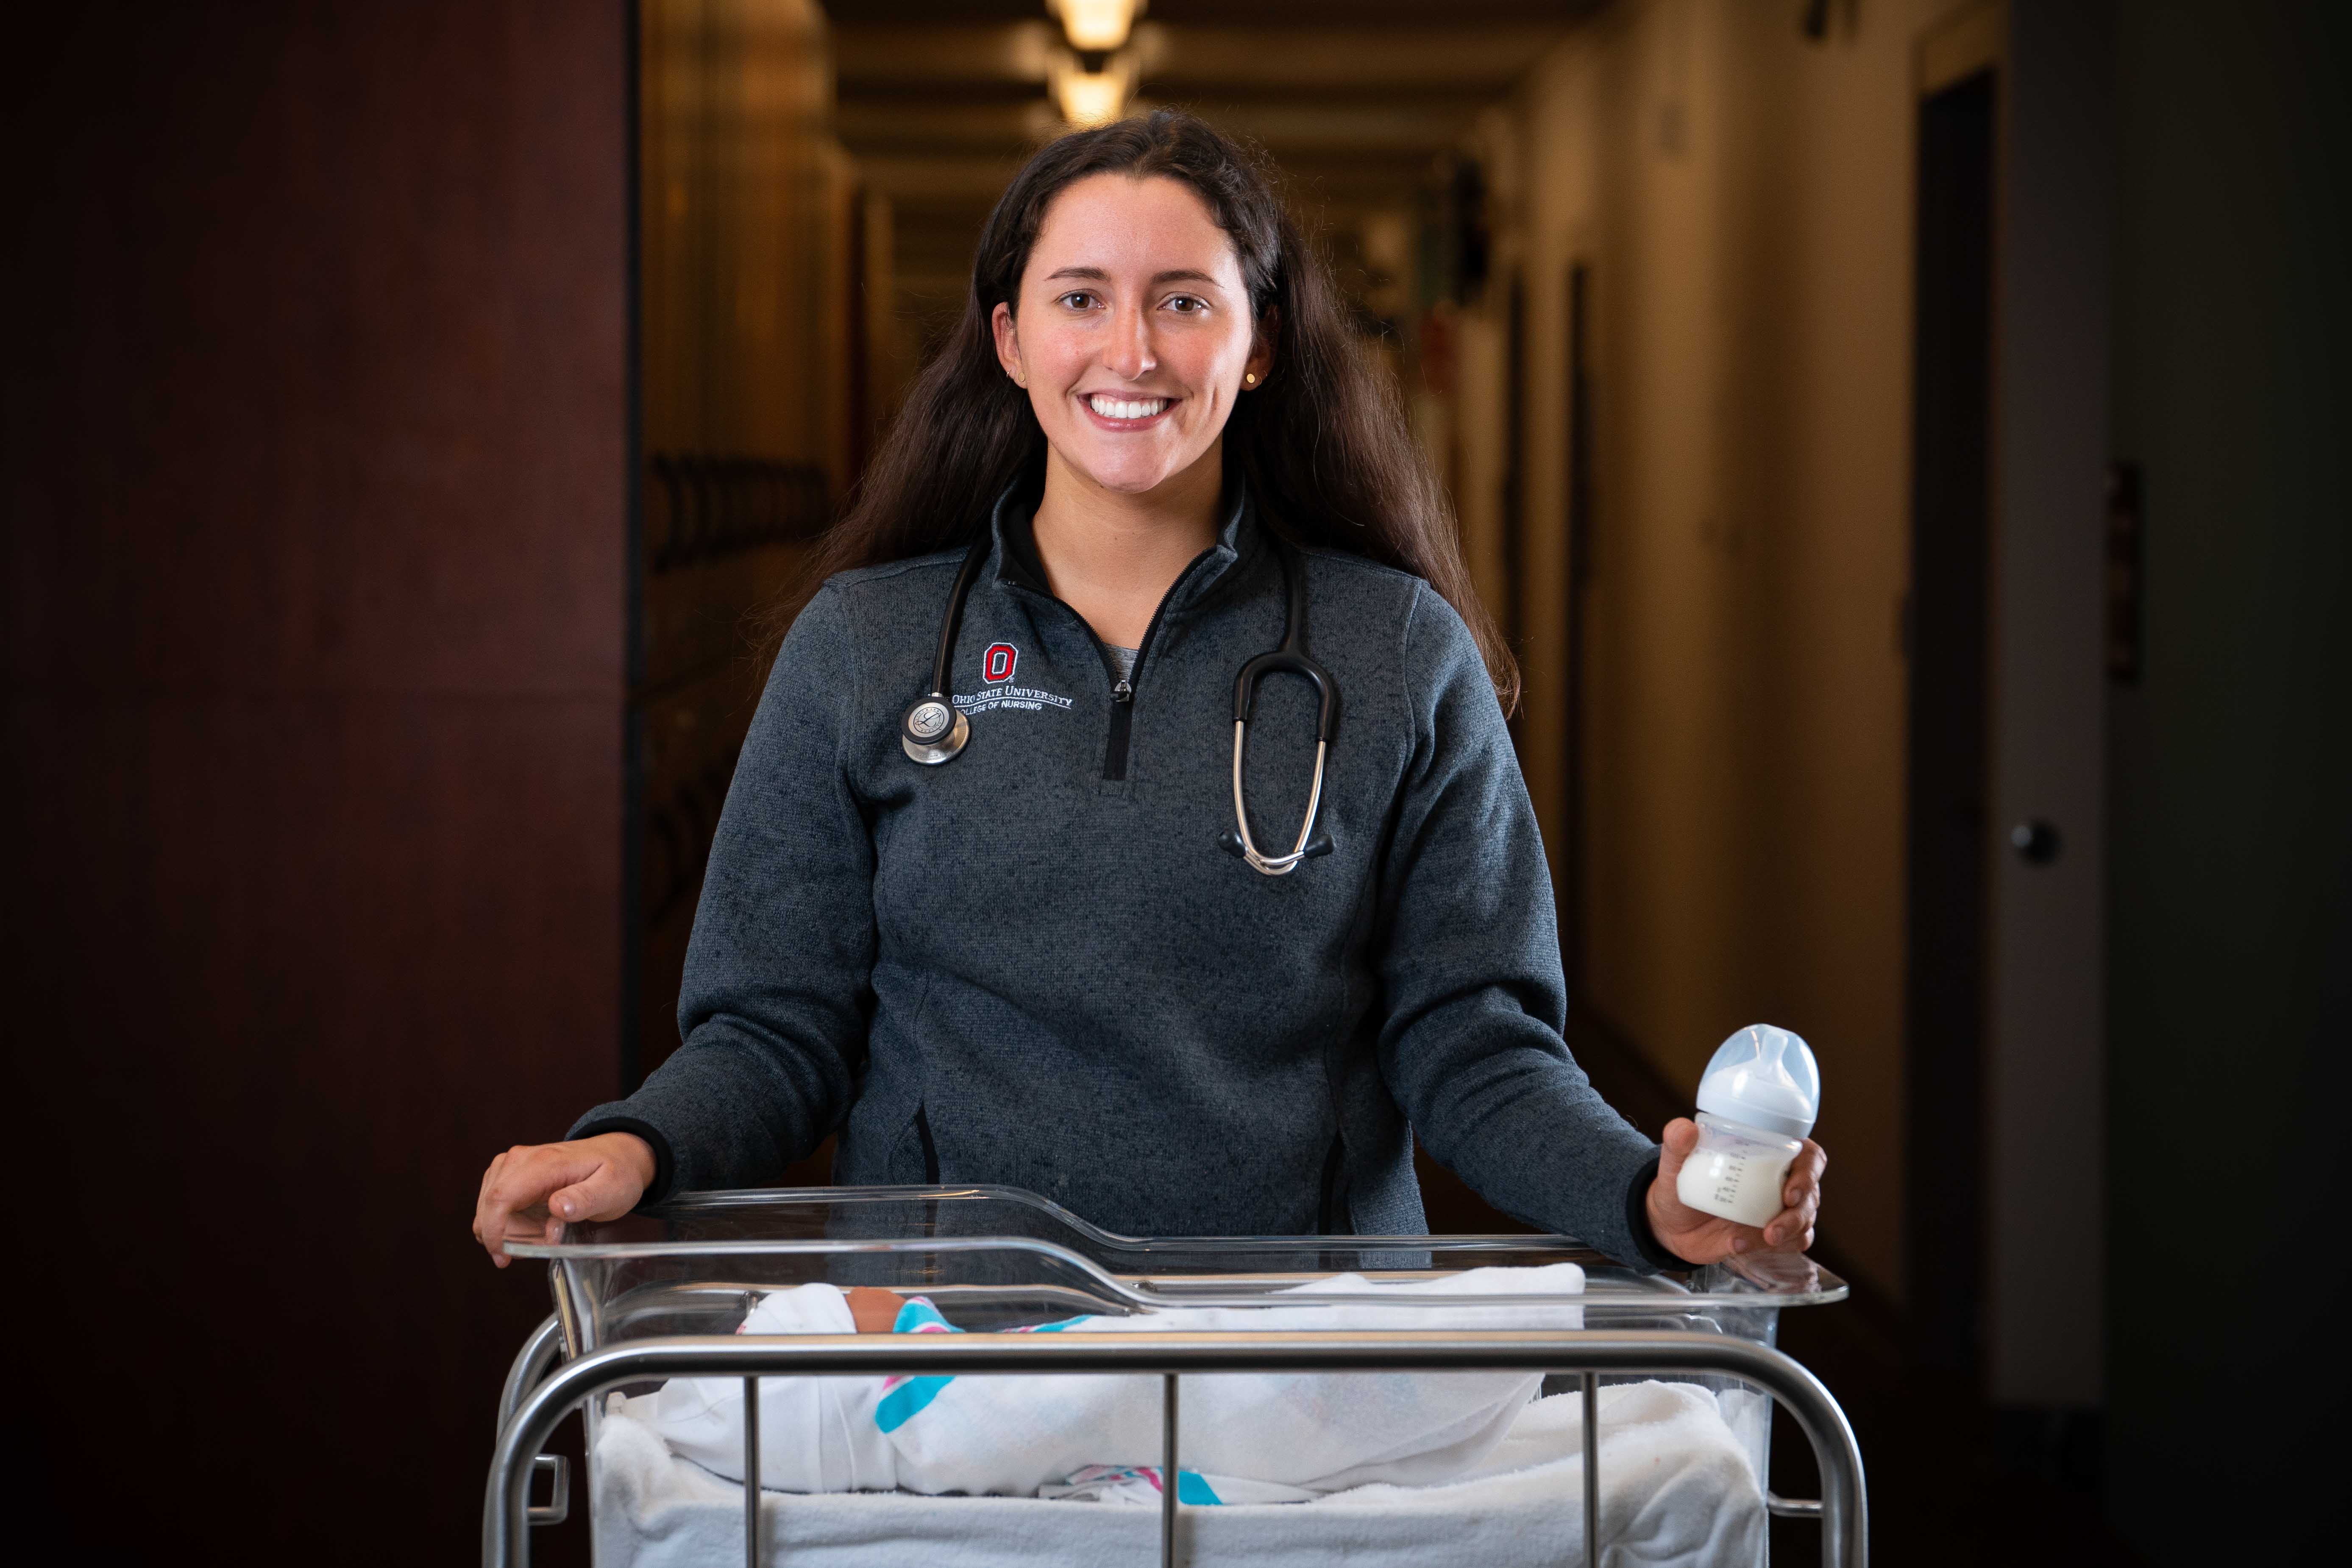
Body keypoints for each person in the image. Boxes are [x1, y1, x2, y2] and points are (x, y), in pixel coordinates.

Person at [473, 111, 1823, 1273]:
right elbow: (776, 1028)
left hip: (1295, 1355)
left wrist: (1642, 1191)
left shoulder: (1399, 654)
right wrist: (638, 1144)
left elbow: (1475, 1041)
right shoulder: (864, 650)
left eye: (1185, 298)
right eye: (1080, 298)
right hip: (949, 1350)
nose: (1132, 350)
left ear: (1262, 343)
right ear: (1009, 339)